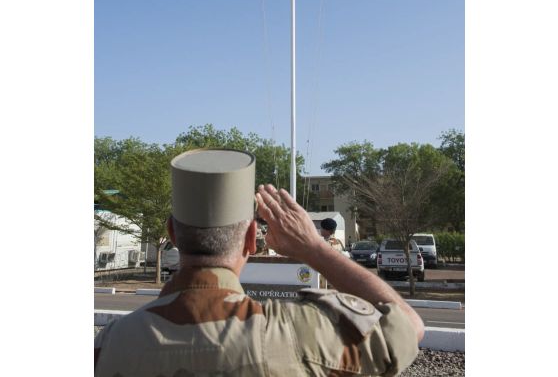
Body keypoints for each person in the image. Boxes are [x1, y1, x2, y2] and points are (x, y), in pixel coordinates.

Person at [95, 148, 423, 376]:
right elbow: (409, 327)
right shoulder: (298, 334)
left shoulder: (108, 346)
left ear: (172, 234)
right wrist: (315, 249)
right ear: (253, 238)